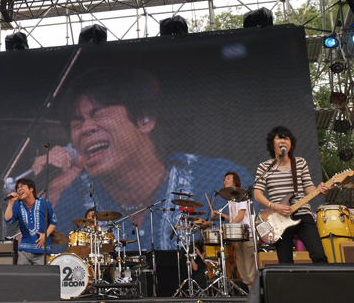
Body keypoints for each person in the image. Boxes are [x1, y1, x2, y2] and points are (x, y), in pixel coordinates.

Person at [34, 68, 254, 250]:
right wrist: (53, 187)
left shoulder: (218, 181)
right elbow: (40, 266)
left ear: (145, 119)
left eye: (99, 114)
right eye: (76, 122)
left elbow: (253, 260)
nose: (86, 128)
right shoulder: (73, 200)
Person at [253, 126, 329, 263]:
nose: (283, 141)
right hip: (279, 218)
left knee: (319, 255)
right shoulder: (264, 167)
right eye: (279, 138)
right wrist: (275, 207)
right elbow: (257, 194)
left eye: (286, 139)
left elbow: (308, 187)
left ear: (291, 144)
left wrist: (319, 189)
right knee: (285, 262)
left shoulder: (299, 162)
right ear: (272, 144)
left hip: (303, 213)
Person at [212, 172, 257, 290]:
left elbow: (240, 216)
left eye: (228, 178)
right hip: (238, 236)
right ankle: (251, 295)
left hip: (247, 235)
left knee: (250, 269)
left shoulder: (241, 195)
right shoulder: (231, 200)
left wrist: (226, 227)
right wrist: (221, 215)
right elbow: (234, 218)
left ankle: (256, 296)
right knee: (243, 270)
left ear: (235, 182)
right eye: (224, 179)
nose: (225, 181)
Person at [5, 178, 57, 265]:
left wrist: (45, 235)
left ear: (31, 189)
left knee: (40, 274)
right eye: (17, 188)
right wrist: (11, 202)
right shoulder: (17, 205)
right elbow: (8, 220)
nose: (19, 189)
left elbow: (53, 221)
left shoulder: (44, 203)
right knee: (22, 274)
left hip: (42, 250)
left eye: (22, 186)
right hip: (24, 250)